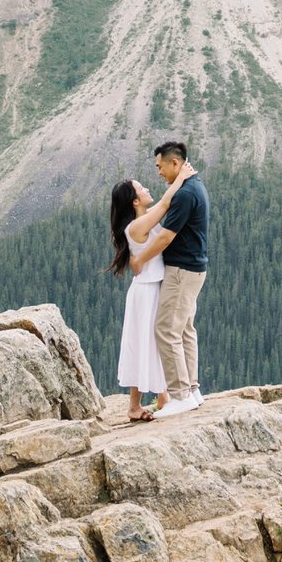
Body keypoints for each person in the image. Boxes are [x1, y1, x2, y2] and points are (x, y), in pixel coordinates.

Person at [107, 160, 194, 421]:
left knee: (149, 342)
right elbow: (166, 205)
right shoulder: (136, 226)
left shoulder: (141, 220)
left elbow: (163, 207)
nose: (146, 188)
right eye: (141, 188)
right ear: (135, 201)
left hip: (150, 287)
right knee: (146, 342)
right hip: (147, 291)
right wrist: (181, 179)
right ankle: (136, 405)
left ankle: (161, 397)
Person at [142, 139, 210, 418]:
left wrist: (140, 258)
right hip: (194, 268)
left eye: (160, 166)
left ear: (175, 163)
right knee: (184, 330)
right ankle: (192, 390)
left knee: (167, 330)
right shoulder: (193, 186)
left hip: (181, 271)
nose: (158, 172)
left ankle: (180, 394)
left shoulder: (184, 194)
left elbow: (167, 236)